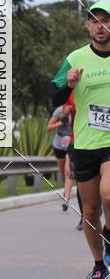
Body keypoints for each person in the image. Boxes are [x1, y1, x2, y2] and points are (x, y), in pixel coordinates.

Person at [52, 2, 110, 279]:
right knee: (89, 210)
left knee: (108, 193)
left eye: (106, 20)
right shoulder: (75, 58)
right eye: (95, 21)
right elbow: (54, 98)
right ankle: (99, 265)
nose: (100, 26)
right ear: (88, 26)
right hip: (85, 143)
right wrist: (70, 85)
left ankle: (109, 234)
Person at [62, 90, 83, 228]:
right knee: (81, 181)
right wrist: (66, 112)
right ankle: (86, 215)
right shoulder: (74, 90)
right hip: (79, 141)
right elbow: (64, 110)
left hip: (104, 142)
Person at [45, 103, 72, 204]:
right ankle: (66, 189)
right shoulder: (59, 110)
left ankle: (66, 197)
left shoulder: (78, 108)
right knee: (63, 172)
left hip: (71, 142)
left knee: (68, 169)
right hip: (59, 143)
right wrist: (61, 122)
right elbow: (48, 128)